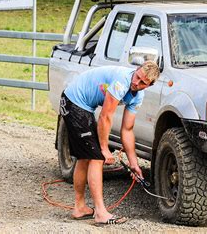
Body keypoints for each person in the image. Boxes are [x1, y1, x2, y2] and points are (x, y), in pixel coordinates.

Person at [59, 61, 160, 226]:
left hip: (84, 107)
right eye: (137, 77)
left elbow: (127, 130)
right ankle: (100, 212)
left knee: (86, 157)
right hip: (73, 102)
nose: (137, 82)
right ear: (136, 70)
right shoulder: (122, 81)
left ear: (149, 85)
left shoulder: (137, 97)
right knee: (97, 157)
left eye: (143, 82)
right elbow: (105, 116)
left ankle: (80, 208)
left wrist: (133, 163)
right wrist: (105, 149)